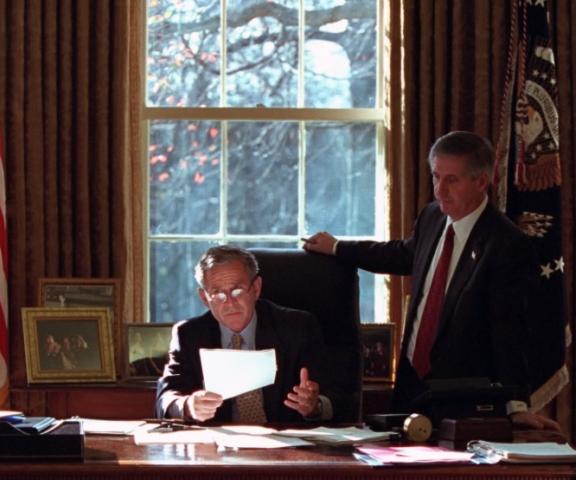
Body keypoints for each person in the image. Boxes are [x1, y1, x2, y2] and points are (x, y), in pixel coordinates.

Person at [303, 131, 560, 432]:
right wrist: (338, 248)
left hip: (461, 400)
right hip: (410, 388)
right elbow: (402, 254)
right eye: (436, 177)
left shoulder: (506, 244)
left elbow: (510, 333)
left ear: (481, 181)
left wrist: (517, 405)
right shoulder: (432, 217)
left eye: (452, 180)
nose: (440, 190)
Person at [155, 245, 341, 423]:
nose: (229, 302)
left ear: (256, 288)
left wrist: (314, 406)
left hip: (286, 446)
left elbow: (337, 397)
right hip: (218, 448)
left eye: (237, 291)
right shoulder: (189, 335)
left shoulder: (297, 328)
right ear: (204, 298)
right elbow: (165, 399)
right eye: (218, 294)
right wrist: (188, 406)